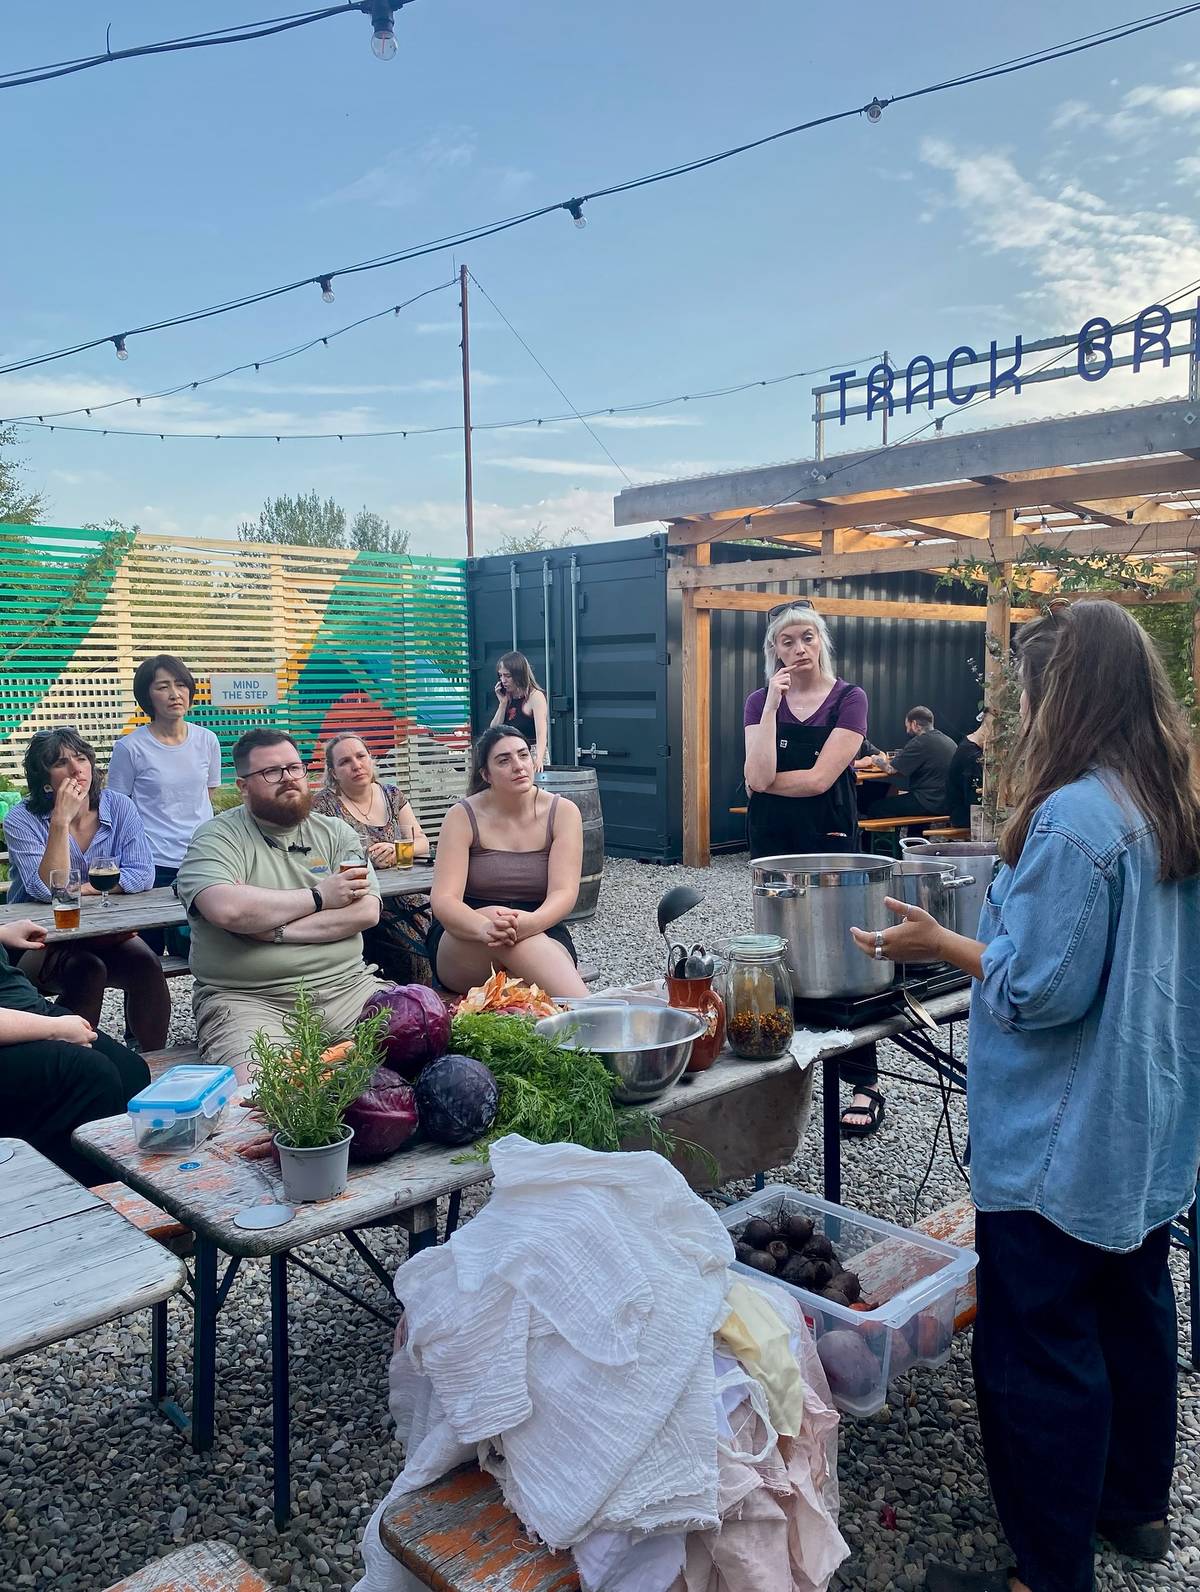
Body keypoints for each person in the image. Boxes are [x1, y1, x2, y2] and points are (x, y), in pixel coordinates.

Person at [850, 601, 1200, 1592]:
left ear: (1064, 694)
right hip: (1149, 1127)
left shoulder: (1075, 814)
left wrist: (943, 944)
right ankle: (1132, 1510)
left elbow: (1039, 991)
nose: (1013, 715)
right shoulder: (1169, 798)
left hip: (1064, 1138)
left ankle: (1047, 1569)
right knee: (1132, 1308)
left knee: (1040, 1349)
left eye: (1022, 693)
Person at [175, 728, 386, 1083]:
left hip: (350, 988)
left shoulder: (336, 833)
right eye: (272, 772)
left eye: (295, 768)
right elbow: (228, 909)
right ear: (243, 787)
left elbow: (365, 912)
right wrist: (320, 897)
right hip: (250, 1002)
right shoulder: (217, 837)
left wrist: (274, 929)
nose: (288, 779)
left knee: (434, 1048)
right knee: (266, 1094)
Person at [741, 604, 881, 1134]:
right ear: (774, 651)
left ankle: (865, 1080)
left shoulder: (850, 698)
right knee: (778, 944)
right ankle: (787, 1063)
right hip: (771, 835)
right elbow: (755, 774)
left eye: (807, 638)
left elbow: (822, 780)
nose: (798, 648)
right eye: (786, 641)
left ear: (821, 641)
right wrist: (773, 704)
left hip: (828, 830)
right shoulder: (761, 700)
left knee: (842, 946)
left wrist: (768, 779)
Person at [3, 727, 170, 1051]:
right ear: (44, 781)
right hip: (40, 939)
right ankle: (79, 1067)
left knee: (147, 964)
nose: (77, 769)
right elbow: (45, 888)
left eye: (81, 758)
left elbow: (142, 875)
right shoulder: (21, 818)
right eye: (61, 763)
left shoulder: (118, 806)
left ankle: (154, 1063)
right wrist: (60, 822)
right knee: (87, 970)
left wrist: (83, 889)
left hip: (103, 932)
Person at [429, 726, 589, 997]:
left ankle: (586, 1017)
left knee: (517, 957)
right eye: (504, 760)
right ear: (485, 774)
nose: (518, 766)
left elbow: (564, 892)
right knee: (498, 919)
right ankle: (593, 1013)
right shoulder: (462, 816)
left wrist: (530, 923)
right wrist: (485, 927)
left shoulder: (563, 812)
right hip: (466, 936)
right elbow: (444, 899)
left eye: (523, 755)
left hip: (542, 928)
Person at [0, 915, 150, 1185]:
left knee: (131, 1071)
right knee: (90, 1075)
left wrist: (2, 933)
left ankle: (122, 1189)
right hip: (11, 1025)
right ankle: (68, 1200)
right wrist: (53, 1029)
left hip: (21, 1004)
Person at [106, 653, 223, 956]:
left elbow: (207, 794)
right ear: (147, 695)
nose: (175, 694)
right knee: (147, 953)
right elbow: (118, 808)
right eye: (163, 687)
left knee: (199, 949)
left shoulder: (207, 740)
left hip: (200, 858)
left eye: (181, 684)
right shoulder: (130, 747)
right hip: (151, 862)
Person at [313, 734, 433, 985]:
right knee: (408, 950)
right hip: (361, 897)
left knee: (438, 932)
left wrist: (397, 849)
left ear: (371, 759)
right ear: (333, 772)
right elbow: (318, 859)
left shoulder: (391, 794)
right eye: (345, 761)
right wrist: (366, 858)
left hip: (409, 894)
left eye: (361, 756)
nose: (356, 765)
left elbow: (422, 842)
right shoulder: (324, 805)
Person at [868, 706, 958, 819]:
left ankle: (884, 837)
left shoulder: (920, 742)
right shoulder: (948, 741)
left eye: (907, 726)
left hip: (929, 801)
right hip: (947, 802)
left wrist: (875, 759)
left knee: (877, 808)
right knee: (909, 802)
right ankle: (914, 836)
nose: (907, 730)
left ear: (914, 724)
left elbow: (891, 769)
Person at [489, 652, 549, 772]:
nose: (503, 680)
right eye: (500, 676)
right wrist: (503, 704)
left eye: (507, 676)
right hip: (509, 753)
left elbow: (541, 733)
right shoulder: (508, 697)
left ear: (519, 675)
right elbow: (494, 730)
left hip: (530, 753)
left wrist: (539, 759)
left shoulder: (535, 696)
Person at [945, 709, 991, 832]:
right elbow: (974, 798)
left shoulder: (967, 745)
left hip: (960, 811)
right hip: (965, 816)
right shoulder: (971, 756)